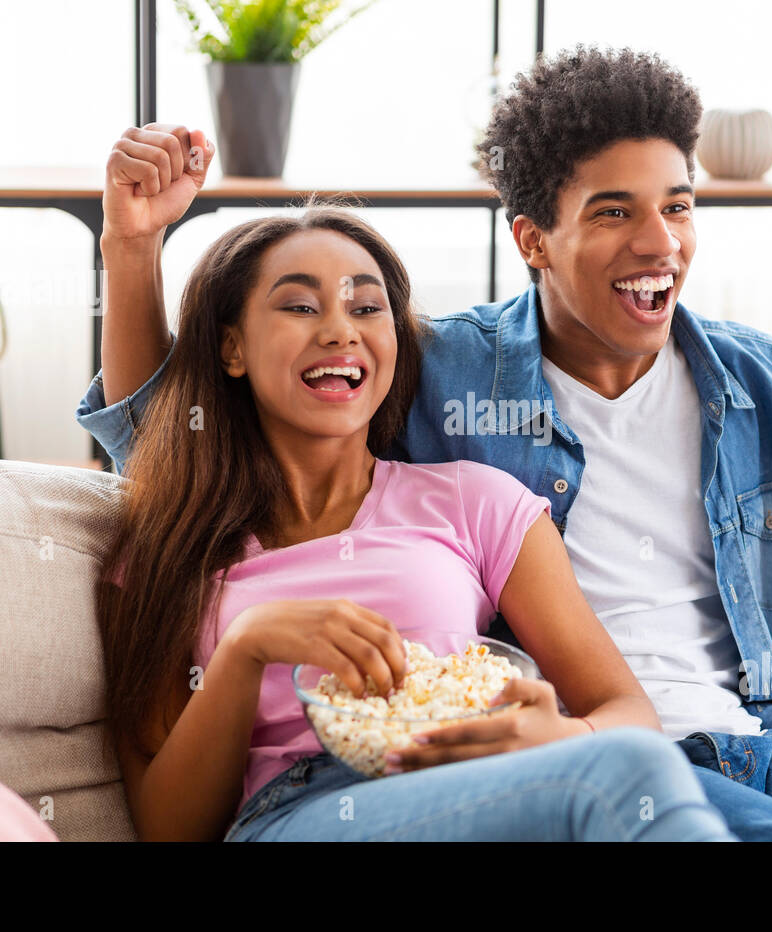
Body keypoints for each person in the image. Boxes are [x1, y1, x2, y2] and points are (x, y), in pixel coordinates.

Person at [79, 46, 772, 842]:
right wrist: (133, 249)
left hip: (766, 740)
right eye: (614, 211)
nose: (660, 240)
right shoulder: (445, 378)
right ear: (532, 239)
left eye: (678, 205)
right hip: (591, 761)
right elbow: (176, 435)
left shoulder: (768, 386)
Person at [91, 152, 732, 842]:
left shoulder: (477, 502)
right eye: (301, 306)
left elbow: (626, 712)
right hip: (298, 813)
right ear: (232, 348)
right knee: (624, 776)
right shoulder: (171, 545)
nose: (341, 329)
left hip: (488, 791)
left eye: (368, 307)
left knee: (629, 762)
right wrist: (247, 648)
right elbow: (168, 830)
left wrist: (559, 736)